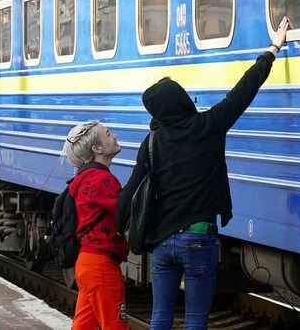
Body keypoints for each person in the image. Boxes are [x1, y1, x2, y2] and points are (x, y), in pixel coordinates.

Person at [116, 16, 291, 330]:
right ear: (183, 101)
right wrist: (273, 49)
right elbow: (243, 91)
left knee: (160, 318)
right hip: (198, 237)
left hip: (161, 244)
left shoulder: (152, 143)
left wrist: (116, 228)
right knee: (196, 319)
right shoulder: (208, 126)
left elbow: (129, 193)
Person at [62, 120, 130, 330]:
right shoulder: (102, 180)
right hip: (101, 264)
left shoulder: (84, 178)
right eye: (108, 134)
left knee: (83, 325)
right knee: (116, 326)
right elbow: (126, 211)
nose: (115, 136)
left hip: (87, 263)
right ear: (97, 149)